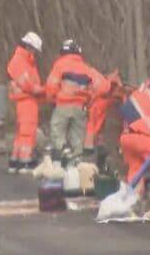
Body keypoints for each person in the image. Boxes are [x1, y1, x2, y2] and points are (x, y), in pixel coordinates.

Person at [44, 40, 109, 164]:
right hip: (80, 107)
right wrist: (91, 97)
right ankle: (76, 164)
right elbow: (103, 87)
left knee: (57, 132)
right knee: (78, 139)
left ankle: (63, 152)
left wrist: (51, 100)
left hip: (63, 105)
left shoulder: (59, 65)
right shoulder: (85, 68)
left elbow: (51, 86)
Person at [6, 31, 45, 174]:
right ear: (29, 46)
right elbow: (28, 85)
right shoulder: (19, 61)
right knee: (27, 132)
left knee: (22, 133)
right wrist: (43, 90)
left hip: (27, 99)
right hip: (26, 100)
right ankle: (24, 162)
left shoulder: (25, 60)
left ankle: (15, 161)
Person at [83, 69, 123, 160]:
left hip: (100, 104)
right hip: (100, 104)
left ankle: (91, 148)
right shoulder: (105, 83)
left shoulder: (102, 82)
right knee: (95, 126)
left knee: (94, 126)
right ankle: (94, 147)